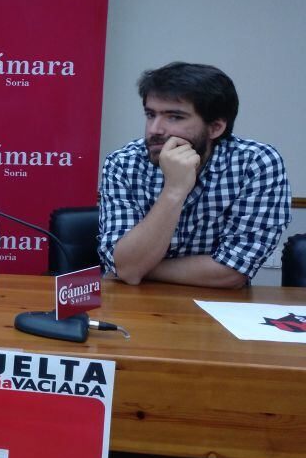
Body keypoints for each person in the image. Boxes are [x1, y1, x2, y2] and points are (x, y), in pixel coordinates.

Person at [98, 62, 290, 289]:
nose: (154, 130)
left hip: (220, 308)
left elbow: (232, 273)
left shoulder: (257, 164)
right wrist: (173, 190)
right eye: (151, 115)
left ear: (215, 128)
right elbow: (128, 268)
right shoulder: (123, 163)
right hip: (136, 305)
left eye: (175, 117)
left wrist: (136, 268)